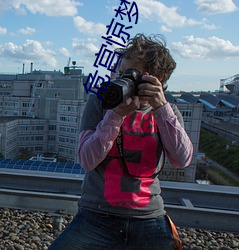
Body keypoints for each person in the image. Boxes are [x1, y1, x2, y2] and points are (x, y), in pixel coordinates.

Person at [48, 33, 193, 250]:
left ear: (157, 78)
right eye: (120, 72)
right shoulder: (100, 102)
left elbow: (182, 159)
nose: (121, 79)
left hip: (149, 215)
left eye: (130, 74)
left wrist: (162, 109)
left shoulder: (168, 114)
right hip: (96, 213)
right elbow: (87, 160)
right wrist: (115, 115)